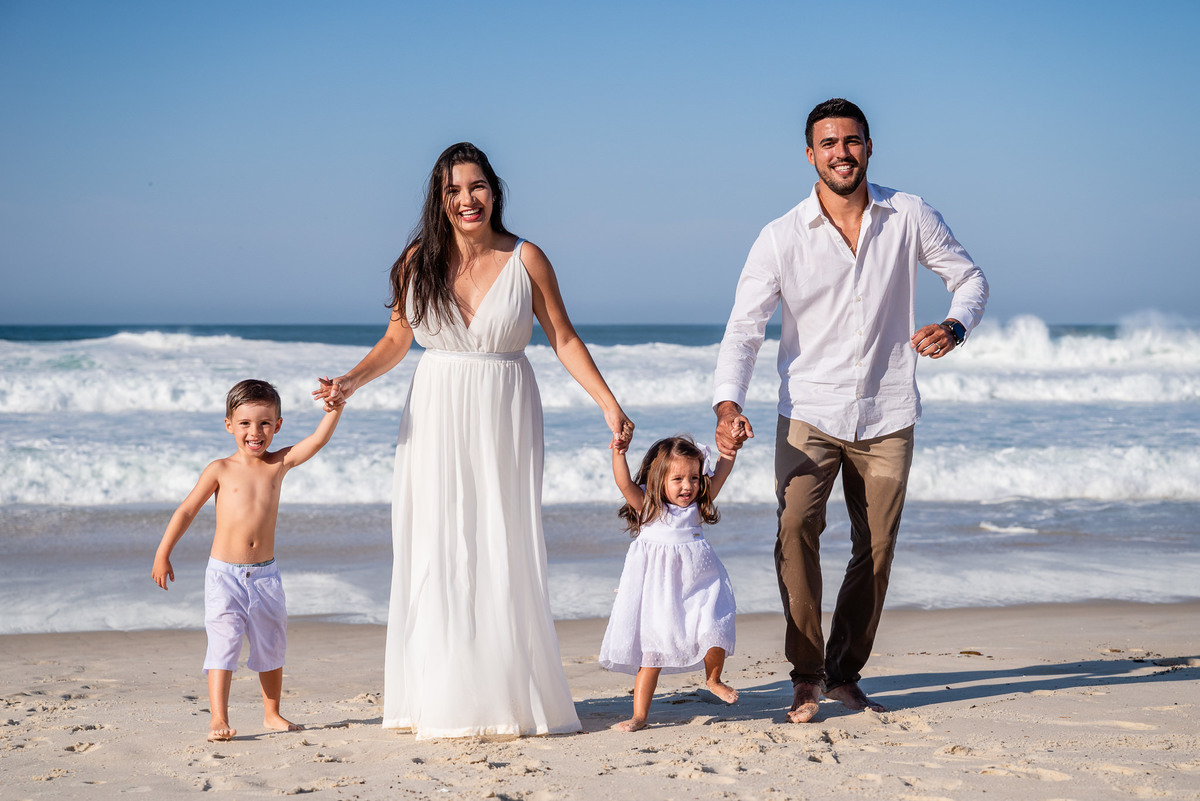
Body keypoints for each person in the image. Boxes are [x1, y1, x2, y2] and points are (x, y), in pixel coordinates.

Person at [314, 142, 633, 739]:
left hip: (505, 407)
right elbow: (395, 340)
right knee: (438, 541)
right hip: (436, 407)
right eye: (454, 190)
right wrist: (350, 381)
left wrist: (609, 404)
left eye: (477, 186)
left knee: (501, 540)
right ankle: (441, 694)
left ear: (495, 190)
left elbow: (563, 337)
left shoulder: (527, 258)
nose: (467, 200)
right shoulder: (416, 263)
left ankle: (505, 694)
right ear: (440, 200)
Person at [713, 98, 989, 724]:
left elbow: (970, 279)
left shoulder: (909, 214)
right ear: (810, 155)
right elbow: (744, 329)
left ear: (869, 148)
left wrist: (954, 325)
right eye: (829, 143)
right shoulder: (780, 236)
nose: (842, 152)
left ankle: (844, 672)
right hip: (809, 411)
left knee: (879, 546)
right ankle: (806, 675)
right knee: (794, 532)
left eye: (853, 141)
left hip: (888, 410)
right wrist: (729, 403)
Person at [152, 378, 344, 742]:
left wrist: (335, 409)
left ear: (278, 425)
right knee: (223, 643)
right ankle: (218, 719)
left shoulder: (279, 463)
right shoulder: (219, 469)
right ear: (229, 425)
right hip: (224, 575)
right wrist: (163, 553)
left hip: (266, 576)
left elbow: (317, 441)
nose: (255, 432)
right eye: (245, 423)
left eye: (265, 423)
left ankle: (271, 713)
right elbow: (186, 511)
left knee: (271, 642)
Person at [599, 434, 739, 732]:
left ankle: (713, 679)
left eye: (694, 477)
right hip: (660, 593)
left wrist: (731, 449)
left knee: (714, 628)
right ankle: (639, 715)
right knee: (653, 653)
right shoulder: (650, 508)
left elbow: (723, 470)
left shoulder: (699, 504)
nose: (687, 486)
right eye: (677, 479)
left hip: (701, 583)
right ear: (657, 479)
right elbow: (624, 484)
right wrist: (619, 453)